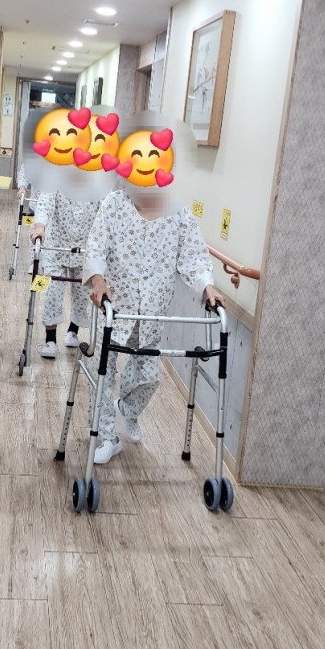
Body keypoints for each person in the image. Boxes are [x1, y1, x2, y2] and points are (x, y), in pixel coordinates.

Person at [82, 187, 225, 463]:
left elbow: (194, 257)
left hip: (152, 315)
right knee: (102, 375)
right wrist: (98, 281)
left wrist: (207, 287)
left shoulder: (178, 213)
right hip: (113, 309)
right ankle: (107, 437)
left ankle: (126, 410)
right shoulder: (114, 204)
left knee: (149, 378)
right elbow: (96, 246)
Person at [31, 191, 99, 358]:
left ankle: (73, 331)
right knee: (53, 293)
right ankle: (50, 340)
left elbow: (106, 211)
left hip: (85, 248)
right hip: (56, 247)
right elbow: (45, 202)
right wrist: (40, 227)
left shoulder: (98, 183)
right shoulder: (57, 178)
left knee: (82, 294)